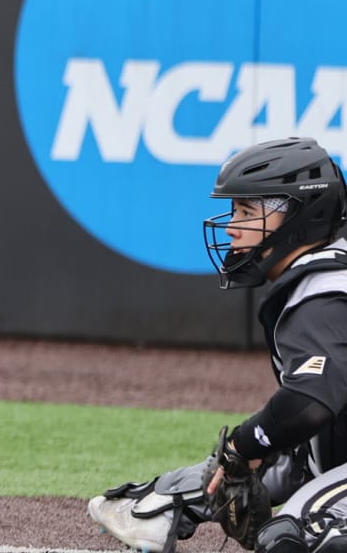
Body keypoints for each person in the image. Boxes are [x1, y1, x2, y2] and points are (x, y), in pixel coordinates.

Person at [89, 136, 347, 553]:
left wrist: (241, 446)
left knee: (296, 538)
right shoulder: (324, 279)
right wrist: (200, 487)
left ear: (301, 216)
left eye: (247, 211)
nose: (231, 225)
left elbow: (307, 403)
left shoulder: (323, 292)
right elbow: (314, 446)